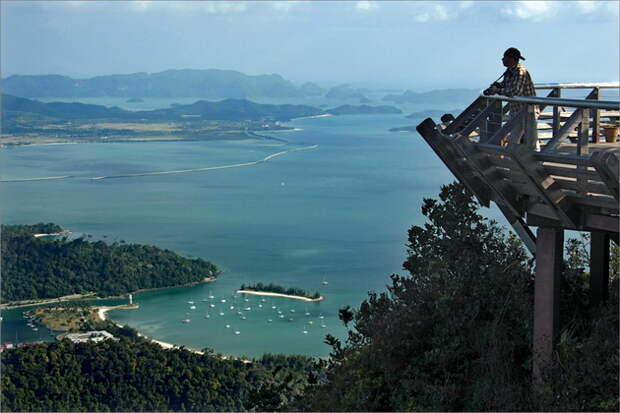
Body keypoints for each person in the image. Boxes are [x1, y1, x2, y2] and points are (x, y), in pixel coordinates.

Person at [483, 47, 539, 148]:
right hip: (516, 110)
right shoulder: (509, 71)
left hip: (528, 111)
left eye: (504, 58)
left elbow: (515, 92)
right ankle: (513, 157)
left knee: (531, 139)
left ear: (512, 59)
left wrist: (497, 91)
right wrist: (497, 87)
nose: (502, 60)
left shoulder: (521, 72)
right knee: (514, 138)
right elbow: (505, 85)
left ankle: (536, 160)